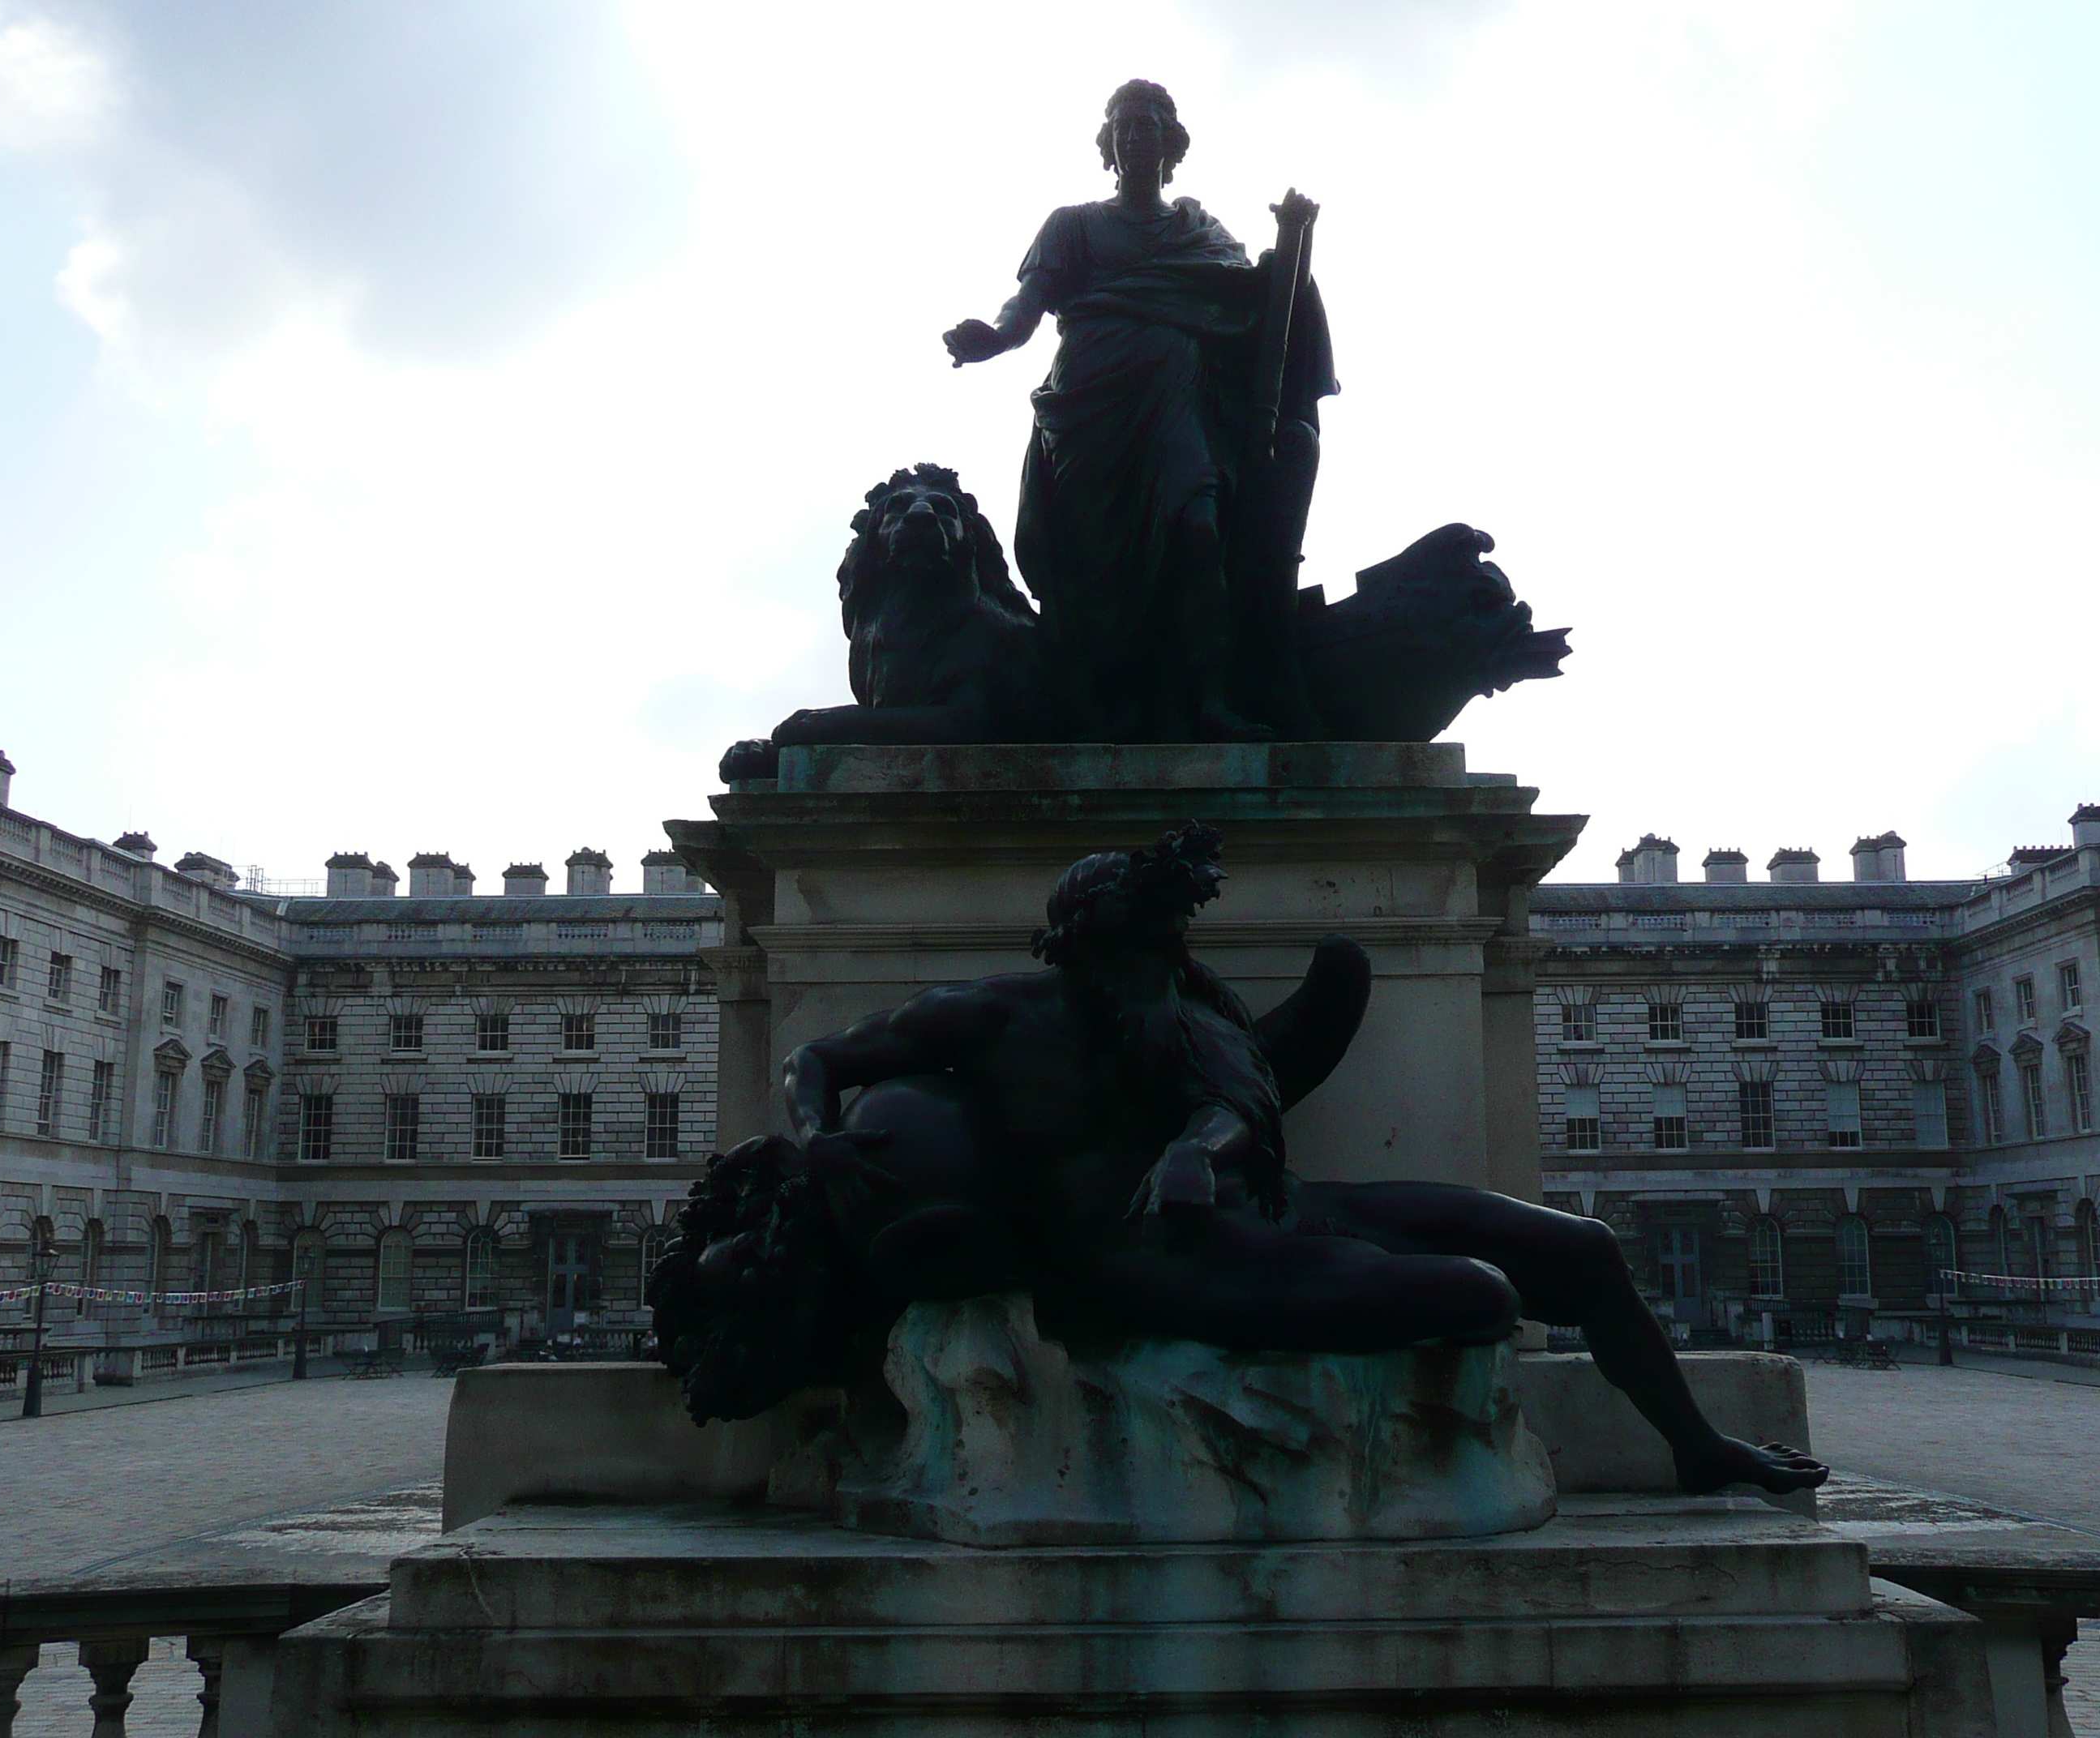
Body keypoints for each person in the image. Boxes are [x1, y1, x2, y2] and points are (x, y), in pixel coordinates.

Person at [731, 824, 1825, 1499]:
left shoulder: (1186, 1008)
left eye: (1168, 940)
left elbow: (1229, 1114)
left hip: (1268, 1212)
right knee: (1479, 1295)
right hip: (1144, 1256)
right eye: (1138, 938)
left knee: (1578, 1249)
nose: (1164, 956)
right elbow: (819, 1056)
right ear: (1075, 939)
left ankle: (1695, 1445)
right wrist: (821, 1134)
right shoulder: (989, 1017)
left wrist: (1200, 1149)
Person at [942, 80, 1335, 742]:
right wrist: (996, 338)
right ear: (1108, 145)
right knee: (1089, 567)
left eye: (1148, 124)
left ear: (1171, 143)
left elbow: (1259, 299)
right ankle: (1092, 700)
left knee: (1199, 529)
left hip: (1174, 406)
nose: (1134, 135)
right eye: (1122, 125)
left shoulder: (1198, 230)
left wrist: (1294, 236)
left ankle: (1209, 697)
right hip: (1086, 410)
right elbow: (1027, 306)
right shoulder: (1072, 225)